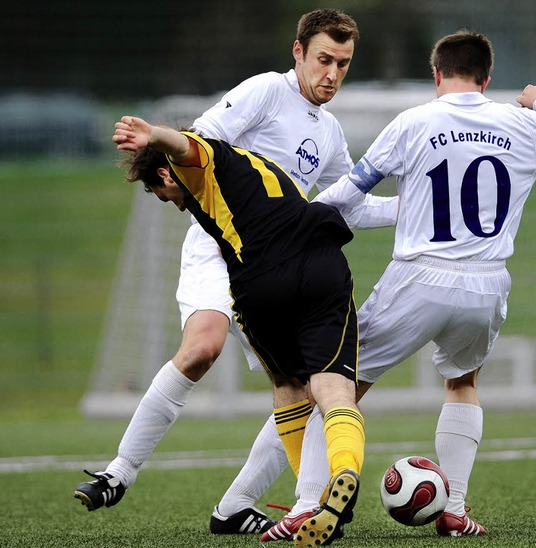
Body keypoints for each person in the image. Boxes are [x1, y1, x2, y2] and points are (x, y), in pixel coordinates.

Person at [239, 29, 536, 541]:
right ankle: (453, 508)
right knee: (463, 383)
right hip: (487, 285)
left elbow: (349, 191)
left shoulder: (414, 122)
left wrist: (288, 225)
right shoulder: (520, 124)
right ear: (487, 78)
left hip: (417, 278)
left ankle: (305, 505)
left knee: (334, 387)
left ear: (436, 75)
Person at [74, 7, 397, 539]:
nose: (333, 74)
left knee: (299, 388)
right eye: (324, 60)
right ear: (297, 52)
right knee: (204, 347)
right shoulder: (267, 91)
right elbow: (202, 137)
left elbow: (350, 208)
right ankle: (119, 471)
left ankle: (252, 506)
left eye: (343, 63)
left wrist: (414, 209)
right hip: (219, 243)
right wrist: (162, 148)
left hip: (280, 262)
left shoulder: (333, 132)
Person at [109, 115, 365, 547]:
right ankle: (341, 472)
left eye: (162, 193)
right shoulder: (258, 162)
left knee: (287, 383)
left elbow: (185, 147)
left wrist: (154, 135)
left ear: (166, 171)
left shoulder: (201, 160)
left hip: (262, 282)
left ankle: (313, 496)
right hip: (322, 263)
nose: (171, 203)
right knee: (335, 389)